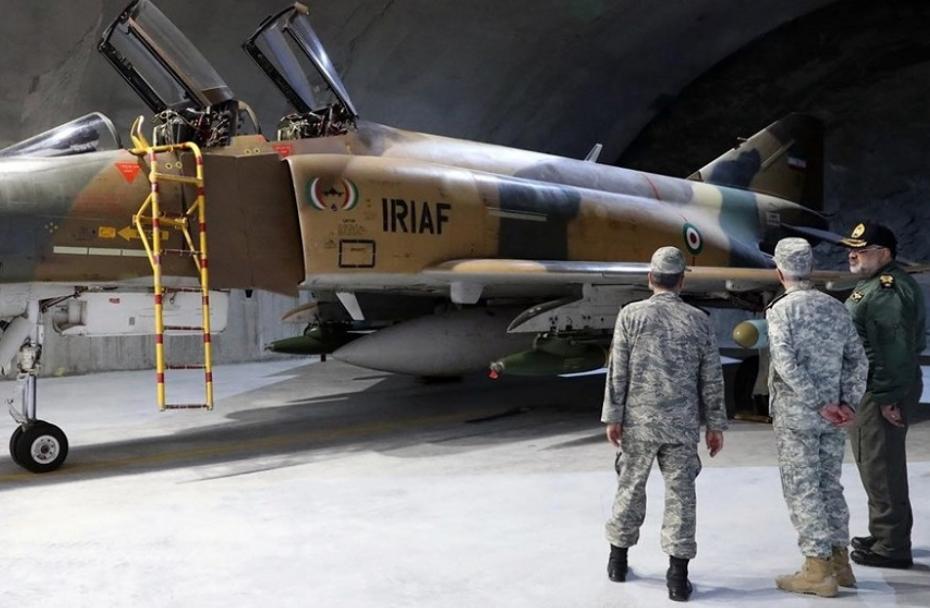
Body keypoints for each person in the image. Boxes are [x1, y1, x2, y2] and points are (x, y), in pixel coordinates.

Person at [602, 246, 727, 602]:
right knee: (681, 497)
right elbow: (711, 377)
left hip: (639, 424)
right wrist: (715, 424)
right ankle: (677, 576)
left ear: (650, 278)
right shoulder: (699, 320)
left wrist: (613, 416)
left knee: (629, 488)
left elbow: (617, 371)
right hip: (681, 426)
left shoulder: (630, 315)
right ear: (681, 281)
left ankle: (617, 561)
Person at [766, 237, 868, 597]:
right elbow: (858, 360)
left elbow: (785, 363)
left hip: (799, 417)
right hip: (835, 418)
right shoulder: (836, 307)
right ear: (810, 268)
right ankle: (841, 564)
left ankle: (817, 570)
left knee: (803, 488)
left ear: (779, 272)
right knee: (830, 485)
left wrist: (817, 402)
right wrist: (847, 403)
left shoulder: (780, 311)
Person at [839, 222, 925, 569]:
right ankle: (885, 533)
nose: (852, 254)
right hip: (879, 386)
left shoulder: (887, 290)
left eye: (861, 250)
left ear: (885, 253)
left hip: (882, 389)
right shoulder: (874, 284)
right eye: (851, 249)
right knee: (878, 464)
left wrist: (888, 397)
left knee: (881, 468)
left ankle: (892, 545)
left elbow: (892, 348)